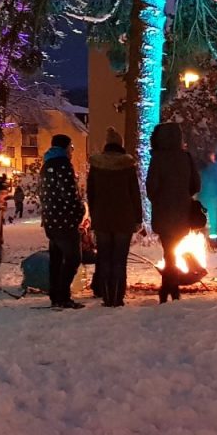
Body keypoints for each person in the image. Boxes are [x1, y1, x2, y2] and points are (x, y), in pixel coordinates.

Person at [145, 122, 201, 303]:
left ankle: (169, 288)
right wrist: (183, 197)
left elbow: (151, 188)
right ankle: (171, 288)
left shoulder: (157, 159)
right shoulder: (186, 158)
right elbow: (195, 185)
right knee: (171, 251)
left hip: (162, 212)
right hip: (182, 213)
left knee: (168, 250)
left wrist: (159, 199)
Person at [87, 131, 142, 307]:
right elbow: (135, 194)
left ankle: (106, 296)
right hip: (124, 218)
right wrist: (137, 218)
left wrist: (94, 215)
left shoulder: (96, 165)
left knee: (104, 257)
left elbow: (91, 193)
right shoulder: (127, 165)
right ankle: (117, 297)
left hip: (102, 218)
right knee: (119, 258)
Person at [38, 134, 85, 309]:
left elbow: (41, 193)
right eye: (71, 148)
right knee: (73, 258)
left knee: (56, 259)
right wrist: (79, 212)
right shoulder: (63, 165)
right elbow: (69, 194)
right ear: (66, 147)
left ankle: (55, 295)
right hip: (64, 220)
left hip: (50, 219)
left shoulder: (46, 165)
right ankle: (63, 295)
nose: (72, 152)